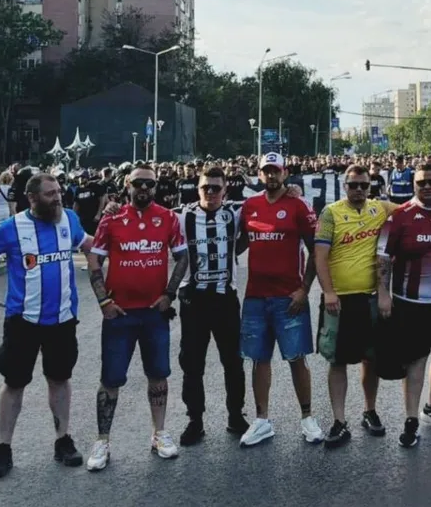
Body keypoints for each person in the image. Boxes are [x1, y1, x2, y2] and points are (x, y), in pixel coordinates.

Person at [0, 173, 92, 480]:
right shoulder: (12, 227)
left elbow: (90, 245)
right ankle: (3, 449)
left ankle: (63, 440)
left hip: (62, 320)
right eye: (50, 193)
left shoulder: (69, 219)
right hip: (23, 321)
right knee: (14, 383)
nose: (58, 197)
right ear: (32, 198)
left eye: (59, 191)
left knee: (60, 379)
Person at [85, 163, 189, 471]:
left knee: (158, 375)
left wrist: (169, 293)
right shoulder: (112, 219)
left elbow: (183, 257)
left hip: (154, 313)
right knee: (110, 379)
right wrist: (103, 300)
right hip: (119, 314)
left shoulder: (168, 217)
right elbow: (94, 261)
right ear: (127, 185)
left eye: (150, 184)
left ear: (156, 187)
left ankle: (159, 433)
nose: (144, 188)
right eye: (138, 183)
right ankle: (102, 440)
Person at [236, 153, 323, 447]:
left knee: (296, 358)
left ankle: (307, 417)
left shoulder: (299, 205)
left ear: (285, 173)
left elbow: (315, 250)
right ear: (259, 174)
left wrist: (305, 289)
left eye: (276, 171)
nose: (271, 176)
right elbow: (237, 242)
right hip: (255, 297)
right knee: (259, 359)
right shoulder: (249, 206)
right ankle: (262, 420)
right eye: (266, 171)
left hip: (289, 297)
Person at [377, 162, 431, 447]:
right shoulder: (400, 216)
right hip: (411, 303)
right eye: (421, 183)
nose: (427, 186)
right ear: (413, 185)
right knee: (415, 360)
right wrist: (383, 293)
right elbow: (382, 258)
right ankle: (411, 419)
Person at [314, 164, 396, 448]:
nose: (358, 190)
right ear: (344, 186)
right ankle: (339, 420)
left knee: (370, 358)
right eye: (353, 185)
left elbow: (413, 208)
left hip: (370, 297)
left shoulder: (380, 208)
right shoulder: (330, 213)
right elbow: (319, 257)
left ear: (370, 187)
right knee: (337, 361)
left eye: (364, 185)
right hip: (339, 299)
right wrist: (328, 292)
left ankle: (369, 411)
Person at [175, 164, 248, 447]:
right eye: (206, 187)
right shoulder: (182, 215)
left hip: (225, 299)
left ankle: (235, 416)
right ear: (198, 189)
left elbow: (266, 201)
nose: (211, 192)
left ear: (225, 190)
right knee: (192, 363)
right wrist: (113, 208)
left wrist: (293, 189)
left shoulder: (235, 212)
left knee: (233, 361)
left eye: (216, 188)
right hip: (194, 300)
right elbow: (149, 214)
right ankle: (195, 420)